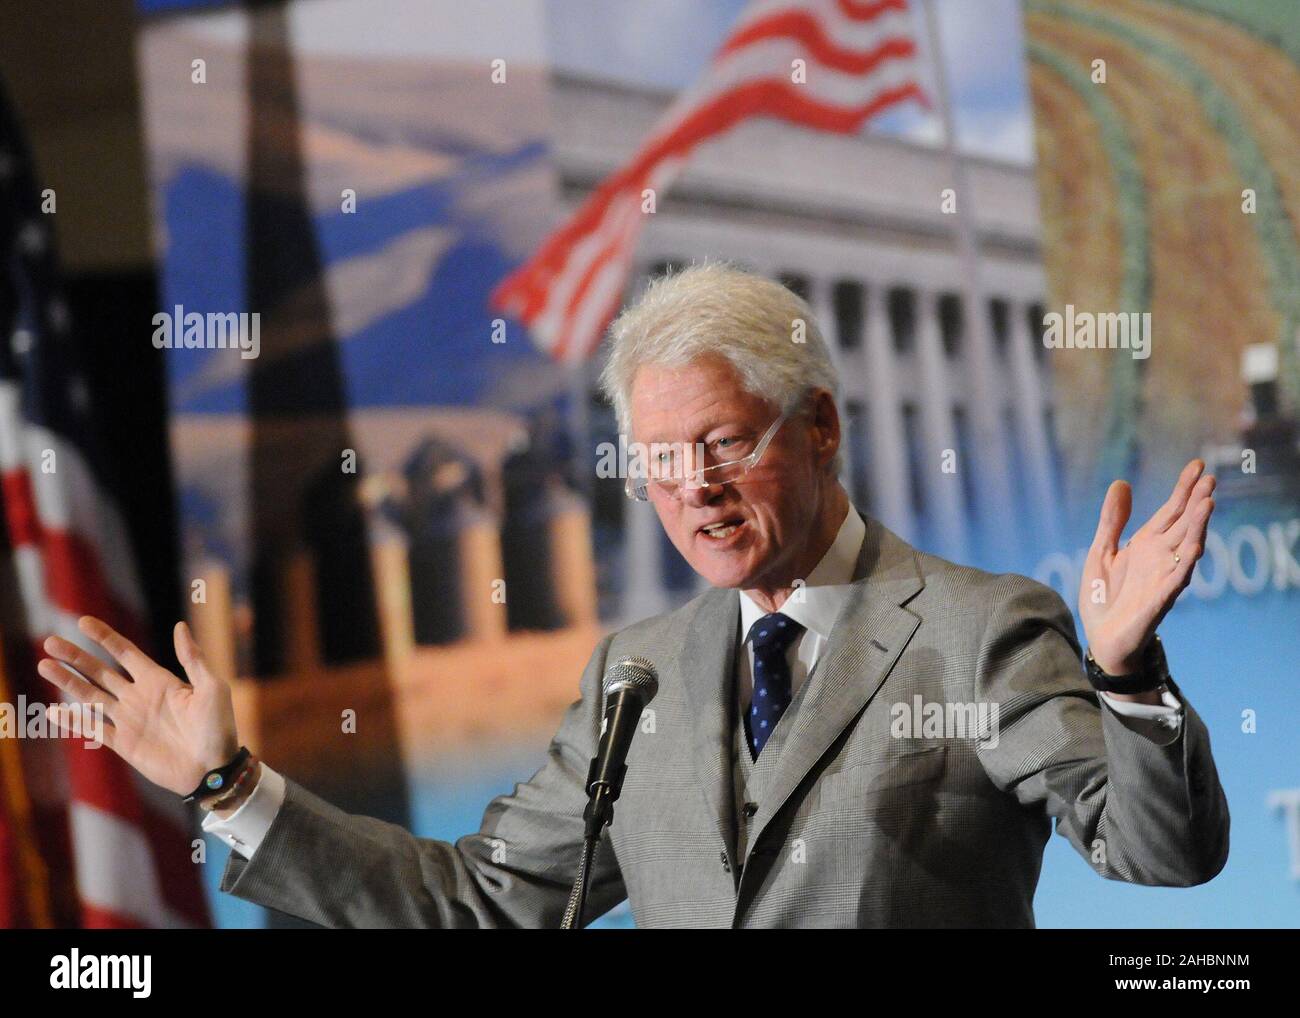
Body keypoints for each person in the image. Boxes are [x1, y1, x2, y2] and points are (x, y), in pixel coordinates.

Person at [39, 264, 1228, 928]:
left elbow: (1159, 856)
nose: (691, 489)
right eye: (659, 459)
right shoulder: (638, 670)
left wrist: (1122, 673)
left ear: (819, 428)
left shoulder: (977, 626)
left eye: (721, 444)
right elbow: (479, 900)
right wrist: (229, 785)